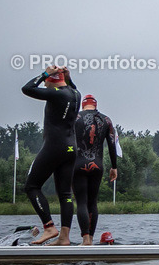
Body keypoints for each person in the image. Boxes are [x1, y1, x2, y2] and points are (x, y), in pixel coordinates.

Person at [22, 65, 81, 245]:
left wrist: (45, 73)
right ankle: (64, 238)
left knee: (31, 186)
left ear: (51, 81)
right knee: (65, 194)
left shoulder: (56, 93)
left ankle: (49, 227)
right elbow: (73, 88)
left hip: (54, 147)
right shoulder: (75, 94)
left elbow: (27, 88)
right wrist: (67, 77)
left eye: (47, 82)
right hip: (71, 147)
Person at [73, 94, 118, 245]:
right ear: (96, 106)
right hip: (97, 165)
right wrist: (114, 166)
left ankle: (85, 239)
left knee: (81, 202)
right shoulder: (105, 120)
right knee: (93, 202)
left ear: (83, 106)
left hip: (78, 164)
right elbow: (112, 144)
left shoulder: (75, 118)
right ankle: (91, 239)